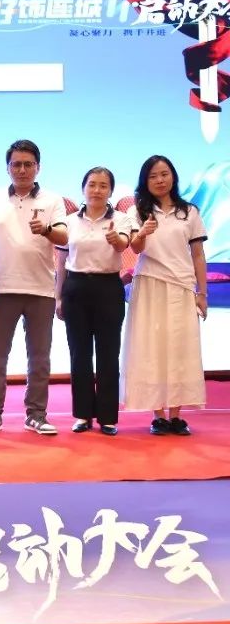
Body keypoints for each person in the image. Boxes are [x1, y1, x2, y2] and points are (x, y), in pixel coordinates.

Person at [0, 139, 67, 436]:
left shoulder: (52, 200)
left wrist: (47, 230)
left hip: (41, 289)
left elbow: (64, 238)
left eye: (28, 164)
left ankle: (36, 415)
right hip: (0, 287)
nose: (22, 170)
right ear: (8, 168)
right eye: (16, 164)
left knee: (39, 359)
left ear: (38, 167)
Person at [121, 154, 208, 436]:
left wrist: (202, 292)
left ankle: (177, 415)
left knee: (180, 348)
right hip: (149, 284)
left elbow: (198, 254)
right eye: (153, 176)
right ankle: (158, 415)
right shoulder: (138, 210)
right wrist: (143, 232)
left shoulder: (189, 212)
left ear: (173, 177)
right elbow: (135, 248)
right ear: (145, 181)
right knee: (151, 347)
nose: (159, 180)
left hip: (182, 286)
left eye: (164, 174)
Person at [54, 167, 131, 436]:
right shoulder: (69, 221)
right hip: (75, 288)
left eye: (103, 185)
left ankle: (108, 417)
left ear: (111, 191)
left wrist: (115, 239)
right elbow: (61, 261)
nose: (97, 190)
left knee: (109, 353)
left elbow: (123, 245)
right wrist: (58, 296)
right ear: (83, 188)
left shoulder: (121, 219)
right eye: (92, 184)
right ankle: (83, 414)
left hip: (108, 288)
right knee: (79, 354)